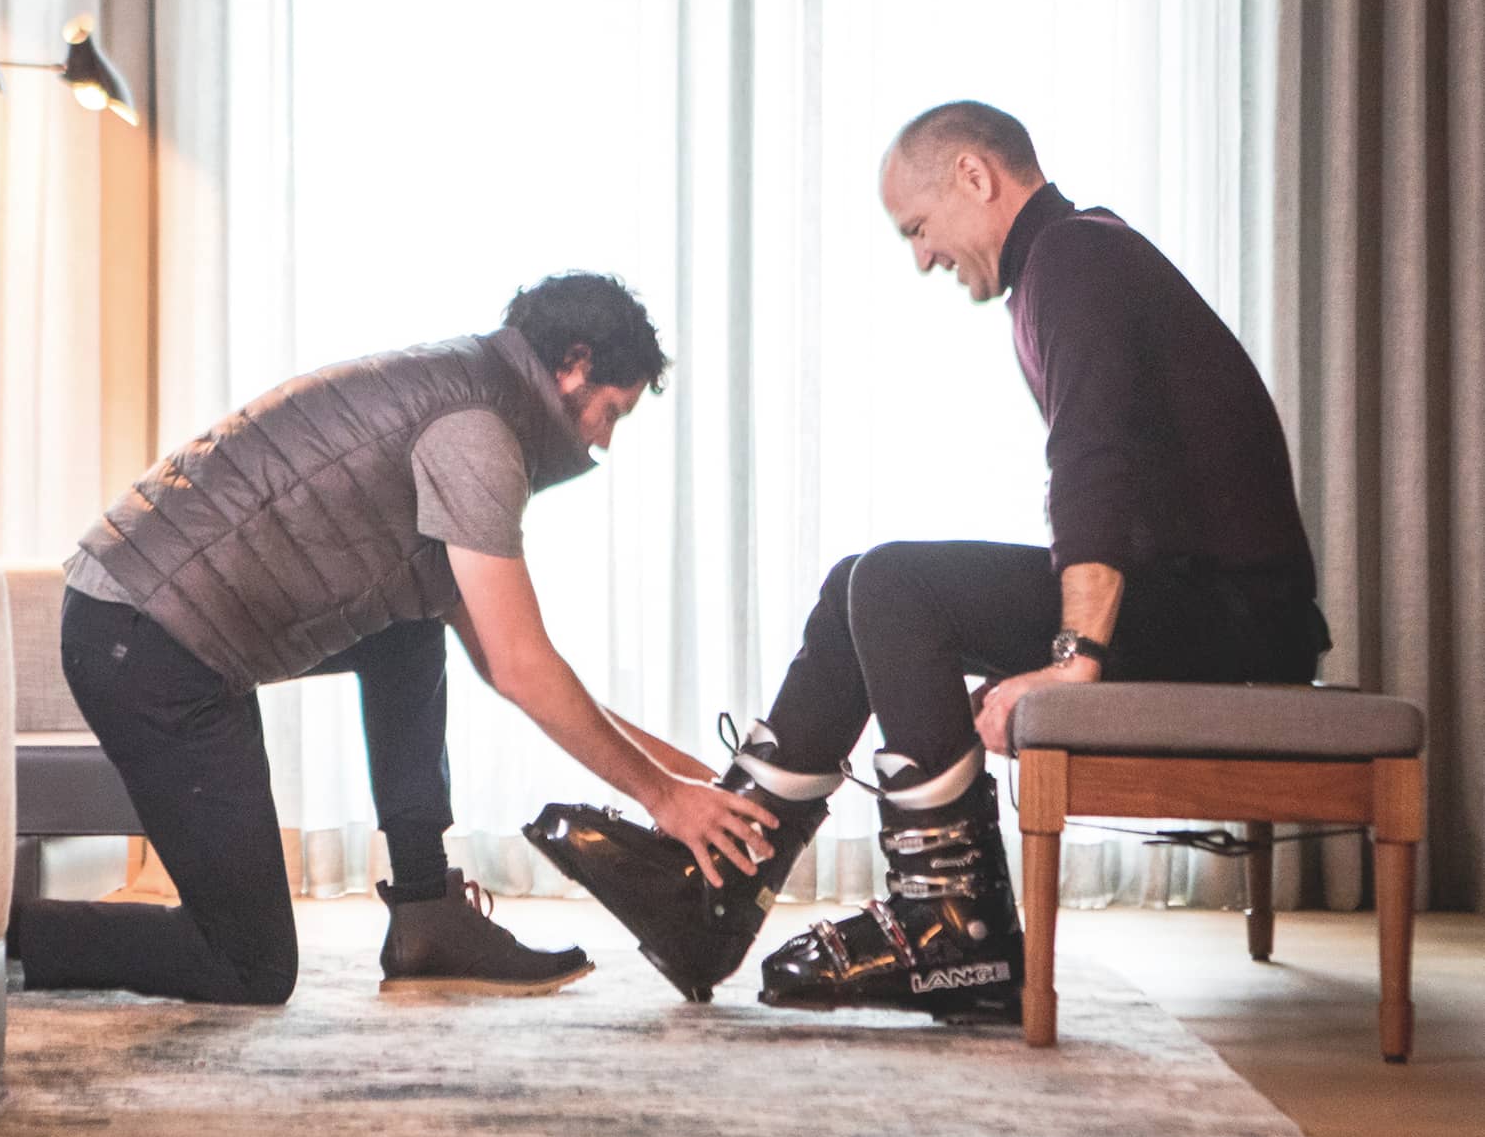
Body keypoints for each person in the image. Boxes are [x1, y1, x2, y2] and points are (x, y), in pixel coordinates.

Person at [527, 103, 1329, 1021]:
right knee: (858, 581)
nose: (922, 256)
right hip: (1193, 597)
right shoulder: (1070, 259)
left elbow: (1094, 466)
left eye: (918, 228)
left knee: (900, 583)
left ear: (974, 178)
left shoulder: (1071, 257)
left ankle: (956, 928)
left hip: (1234, 617)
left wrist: (1074, 666)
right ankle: (712, 886)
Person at [13, 272, 775, 1006]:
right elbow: (520, 666)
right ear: (574, 366)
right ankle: (8, 933)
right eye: (614, 411)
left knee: (409, 626)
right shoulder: (478, 431)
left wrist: (687, 779)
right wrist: (663, 797)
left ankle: (425, 914)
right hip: (145, 645)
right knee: (249, 964)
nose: (606, 442)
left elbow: (501, 653)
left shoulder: (468, 391)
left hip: (153, 626)